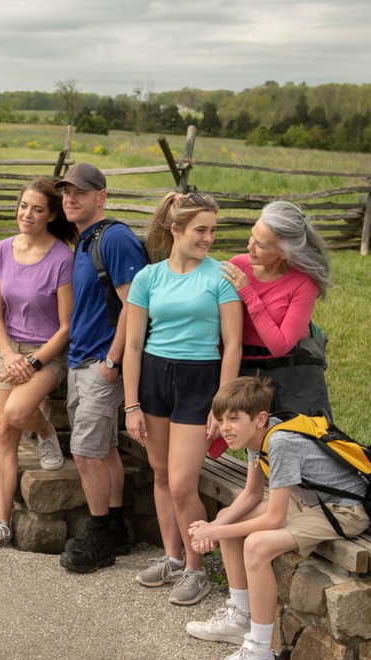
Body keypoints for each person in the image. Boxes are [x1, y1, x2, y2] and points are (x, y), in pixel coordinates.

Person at [186, 376, 371, 660]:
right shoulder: (256, 437)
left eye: (234, 419)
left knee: (255, 545)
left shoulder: (279, 442)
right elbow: (251, 495)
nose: (225, 427)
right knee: (228, 521)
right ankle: (240, 616)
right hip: (310, 502)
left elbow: (273, 520)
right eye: (221, 419)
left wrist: (215, 534)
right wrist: (215, 526)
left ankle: (259, 655)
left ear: (260, 419)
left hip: (344, 512)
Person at [123, 192, 242, 605]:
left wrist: (220, 405)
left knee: (181, 483)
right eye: (200, 230)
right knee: (159, 474)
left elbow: (233, 345)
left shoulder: (220, 278)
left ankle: (197, 569)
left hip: (199, 382)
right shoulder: (148, 278)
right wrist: (131, 404)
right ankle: (172, 558)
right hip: (154, 378)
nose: (209, 238)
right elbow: (134, 345)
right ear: (176, 230)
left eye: (213, 229)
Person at [0, 177, 77, 548]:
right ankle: (1, 523)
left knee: (17, 412)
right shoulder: (2, 249)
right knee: (4, 431)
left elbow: (66, 328)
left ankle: (46, 432)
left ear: (51, 216)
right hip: (10, 350)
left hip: (48, 351)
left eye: (37, 209)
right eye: (23, 206)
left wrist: (31, 362)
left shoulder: (63, 258)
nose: (27, 214)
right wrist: (9, 354)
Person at [55, 163, 148, 573]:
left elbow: (136, 305)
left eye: (80, 192)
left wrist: (113, 358)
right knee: (104, 448)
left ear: (102, 196)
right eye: (66, 192)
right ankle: (114, 527)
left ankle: (98, 537)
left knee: (85, 452)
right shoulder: (86, 239)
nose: (70, 199)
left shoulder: (116, 239)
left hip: (100, 362)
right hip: (83, 359)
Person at [219, 200, 333, 419]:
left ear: (283, 253)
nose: (249, 246)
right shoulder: (238, 266)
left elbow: (279, 345)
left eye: (260, 245)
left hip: (294, 374)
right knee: (255, 446)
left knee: (301, 442)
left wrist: (248, 293)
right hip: (247, 371)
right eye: (252, 235)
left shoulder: (303, 283)